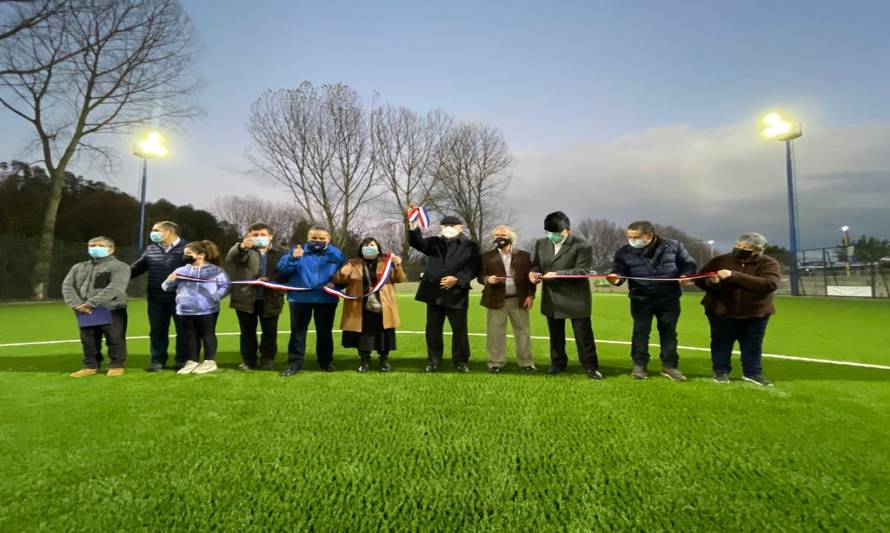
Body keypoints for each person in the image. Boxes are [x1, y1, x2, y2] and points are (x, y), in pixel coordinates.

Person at [607, 220, 697, 381]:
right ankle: (639, 366)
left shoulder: (674, 246)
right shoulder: (624, 252)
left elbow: (688, 263)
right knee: (640, 332)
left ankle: (669, 366)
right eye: (630, 237)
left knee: (669, 333)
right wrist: (615, 278)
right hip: (640, 299)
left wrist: (686, 275)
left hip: (669, 298)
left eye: (636, 237)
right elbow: (619, 271)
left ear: (649, 235)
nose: (632, 240)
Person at [695, 232, 781, 386]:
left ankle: (753, 373)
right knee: (721, 343)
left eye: (745, 247)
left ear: (757, 250)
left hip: (756, 313)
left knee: (752, 344)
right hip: (720, 311)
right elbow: (701, 280)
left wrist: (733, 275)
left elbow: (769, 284)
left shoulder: (769, 263)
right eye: (738, 245)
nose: (740, 249)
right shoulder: (720, 260)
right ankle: (720, 372)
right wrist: (713, 282)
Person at [408, 206, 482, 373]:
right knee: (433, 330)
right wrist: (412, 224)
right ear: (441, 228)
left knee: (459, 330)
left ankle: (460, 361)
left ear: (460, 228)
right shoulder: (434, 242)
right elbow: (416, 242)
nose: (449, 228)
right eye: (445, 225)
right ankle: (434, 360)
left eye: (452, 225)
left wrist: (457, 279)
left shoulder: (470, 246)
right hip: (433, 294)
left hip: (457, 295)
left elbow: (474, 267)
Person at [530, 211, 603, 379]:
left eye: (554, 233)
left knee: (583, 335)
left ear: (566, 230)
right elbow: (536, 265)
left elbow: (582, 270)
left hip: (575, 297)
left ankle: (590, 366)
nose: (550, 236)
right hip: (552, 296)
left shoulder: (582, 245)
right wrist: (533, 273)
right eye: (547, 232)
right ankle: (558, 363)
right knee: (555, 335)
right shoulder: (541, 243)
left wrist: (557, 274)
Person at [277, 226, 347, 377]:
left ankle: (325, 362)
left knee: (324, 332)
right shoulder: (297, 251)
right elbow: (282, 271)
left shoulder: (337, 254)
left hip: (326, 298)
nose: (318, 241)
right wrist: (293, 259)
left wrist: (336, 285)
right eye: (314, 238)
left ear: (328, 239)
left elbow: (345, 275)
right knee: (298, 332)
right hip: (299, 298)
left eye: (322, 238)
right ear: (308, 238)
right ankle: (294, 363)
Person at [332, 238, 406, 372]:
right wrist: (342, 272)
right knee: (364, 334)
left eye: (372, 245)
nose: (368, 247)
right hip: (360, 305)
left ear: (378, 248)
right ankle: (365, 360)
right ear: (361, 248)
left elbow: (399, 279)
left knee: (384, 334)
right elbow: (338, 279)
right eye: (365, 245)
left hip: (384, 304)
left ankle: (384, 360)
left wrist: (398, 265)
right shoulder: (352, 263)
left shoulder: (387, 262)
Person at [62, 236, 131, 378]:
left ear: (111, 249)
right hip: (84, 310)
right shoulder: (79, 267)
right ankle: (90, 366)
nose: (95, 248)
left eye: (100, 245)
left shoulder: (120, 267)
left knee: (115, 338)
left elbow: (116, 287)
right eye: (92, 245)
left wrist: (90, 304)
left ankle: (117, 365)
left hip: (112, 308)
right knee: (88, 339)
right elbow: (67, 286)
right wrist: (77, 304)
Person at [161, 240, 229, 375]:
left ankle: (210, 361)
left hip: (207, 310)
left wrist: (213, 298)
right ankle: (191, 361)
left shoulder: (215, 270)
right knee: (190, 336)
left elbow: (225, 286)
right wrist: (170, 280)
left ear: (201, 255)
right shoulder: (181, 270)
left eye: (188, 253)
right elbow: (165, 288)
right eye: (184, 253)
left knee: (207, 335)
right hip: (184, 310)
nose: (185, 256)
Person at [225, 223, 286, 371]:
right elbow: (230, 257)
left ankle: (267, 359)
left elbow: (285, 273)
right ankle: (248, 360)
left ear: (270, 236)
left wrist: (272, 281)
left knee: (270, 332)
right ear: (249, 236)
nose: (259, 237)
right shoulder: (243, 249)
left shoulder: (281, 253)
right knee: (247, 332)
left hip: (271, 298)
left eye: (263, 234)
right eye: (255, 235)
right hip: (245, 298)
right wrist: (241, 247)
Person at [131, 220, 189, 372]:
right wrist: (118, 276)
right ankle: (157, 361)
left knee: (184, 331)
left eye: (156, 230)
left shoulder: (188, 248)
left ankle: (182, 360)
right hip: (156, 298)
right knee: (157, 331)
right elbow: (137, 268)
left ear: (168, 232)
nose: (153, 233)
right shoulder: (151, 249)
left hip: (182, 299)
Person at [478, 225, 536, 373]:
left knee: (523, 332)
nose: (499, 238)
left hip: (519, 300)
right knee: (495, 333)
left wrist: (530, 295)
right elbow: (480, 276)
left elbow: (531, 278)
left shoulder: (524, 255)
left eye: (502, 235)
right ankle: (496, 363)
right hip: (495, 299)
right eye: (496, 235)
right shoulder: (486, 256)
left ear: (511, 237)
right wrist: (488, 279)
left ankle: (526, 362)